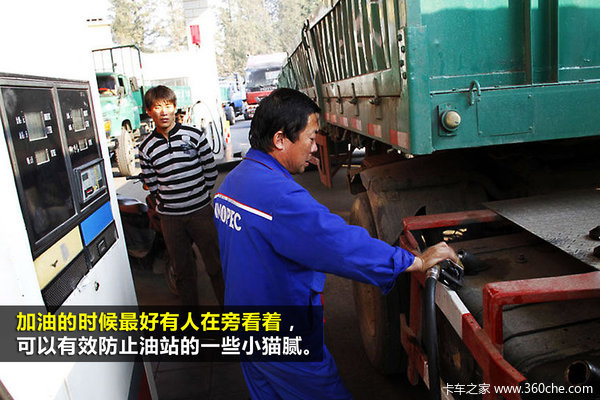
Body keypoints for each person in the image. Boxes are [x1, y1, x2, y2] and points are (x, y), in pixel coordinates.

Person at [213, 88, 458, 398]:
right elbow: (340, 244)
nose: (315, 147)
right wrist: (413, 260)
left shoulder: (232, 183)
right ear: (280, 139)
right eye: (310, 137)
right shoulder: (280, 198)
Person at [138, 85, 224, 307]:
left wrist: (198, 197)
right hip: (171, 220)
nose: (164, 112)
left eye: (168, 106)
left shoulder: (194, 135)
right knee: (183, 270)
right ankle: (192, 320)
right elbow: (152, 184)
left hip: (200, 213)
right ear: (149, 111)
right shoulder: (146, 147)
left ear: (175, 107)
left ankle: (229, 311)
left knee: (216, 265)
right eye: (158, 107)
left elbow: (210, 171)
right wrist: (168, 205)